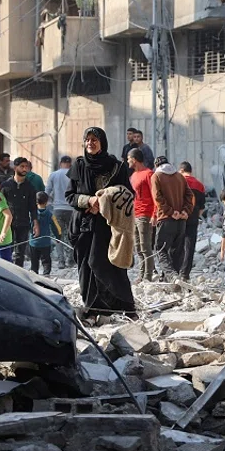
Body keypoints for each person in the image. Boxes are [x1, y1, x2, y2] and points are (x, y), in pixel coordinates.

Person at [65, 127, 136, 316]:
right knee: (86, 266)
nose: (90, 143)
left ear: (102, 143)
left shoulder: (116, 166)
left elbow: (128, 194)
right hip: (84, 225)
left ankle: (122, 306)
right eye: (87, 139)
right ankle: (93, 308)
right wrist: (88, 201)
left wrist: (106, 200)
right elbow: (69, 196)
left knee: (110, 263)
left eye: (94, 140)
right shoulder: (79, 165)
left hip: (107, 225)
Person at [151, 156, 194, 280]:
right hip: (181, 220)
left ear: (156, 166)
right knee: (176, 252)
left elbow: (157, 198)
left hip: (166, 219)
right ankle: (173, 282)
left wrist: (170, 211)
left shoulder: (156, 176)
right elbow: (189, 195)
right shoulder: (179, 176)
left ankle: (172, 275)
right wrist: (186, 211)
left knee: (160, 249)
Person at [1, 158, 40, 268]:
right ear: (15, 168)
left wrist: (35, 223)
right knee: (6, 250)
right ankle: (6, 273)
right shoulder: (6, 186)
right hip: (7, 224)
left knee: (20, 253)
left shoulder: (30, 187)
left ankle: (18, 276)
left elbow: (33, 207)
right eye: (22, 166)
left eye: (26, 166)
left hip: (23, 223)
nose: (25, 169)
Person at [128, 148, 156, 283]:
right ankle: (141, 275)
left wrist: (154, 214)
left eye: (128, 158)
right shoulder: (133, 176)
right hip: (134, 214)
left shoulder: (149, 174)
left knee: (146, 246)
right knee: (138, 247)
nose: (127, 161)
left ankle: (148, 276)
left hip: (145, 213)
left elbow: (155, 195)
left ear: (134, 159)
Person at [179, 161, 206, 281]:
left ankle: (175, 271)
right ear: (191, 171)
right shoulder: (199, 185)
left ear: (181, 170)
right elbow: (202, 208)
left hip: (179, 218)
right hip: (193, 218)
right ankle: (185, 273)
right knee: (189, 246)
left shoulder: (178, 182)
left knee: (177, 245)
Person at [46, 156, 74, 268]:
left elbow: (47, 191)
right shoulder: (73, 174)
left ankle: (61, 261)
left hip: (57, 209)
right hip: (71, 209)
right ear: (70, 164)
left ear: (60, 163)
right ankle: (70, 259)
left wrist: (48, 203)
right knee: (71, 235)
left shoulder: (54, 175)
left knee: (58, 235)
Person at [30, 192, 56, 276]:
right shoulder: (50, 214)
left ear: (35, 202)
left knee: (34, 260)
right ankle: (46, 274)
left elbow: (29, 226)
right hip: (45, 242)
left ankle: (34, 275)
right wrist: (58, 236)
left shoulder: (31, 215)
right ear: (46, 202)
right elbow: (56, 227)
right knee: (46, 260)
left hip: (33, 242)